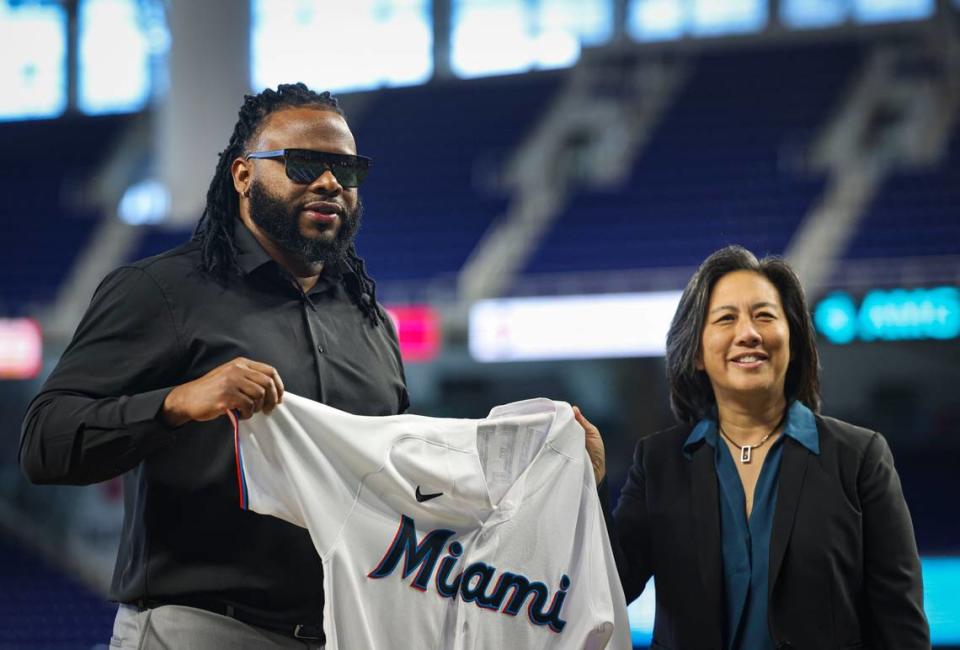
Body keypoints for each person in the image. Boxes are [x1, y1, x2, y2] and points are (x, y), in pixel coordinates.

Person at [20, 83, 409, 649]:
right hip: (204, 628)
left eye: (346, 170)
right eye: (303, 164)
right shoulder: (162, 290)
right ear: (244, 176)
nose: (330, 183)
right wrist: (175, 403)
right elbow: (44, 443)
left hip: (348, 630)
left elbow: (402, 476)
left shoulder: (369, 319)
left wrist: (538, 453)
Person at [583, 245, 930, 649]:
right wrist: (592, 486)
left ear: (794, 339)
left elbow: (901, 627)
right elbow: (609, 593)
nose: (748, 333)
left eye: (764, 315)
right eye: (726, 318)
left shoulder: (859, 457)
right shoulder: (657, 462)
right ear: (696, 352)